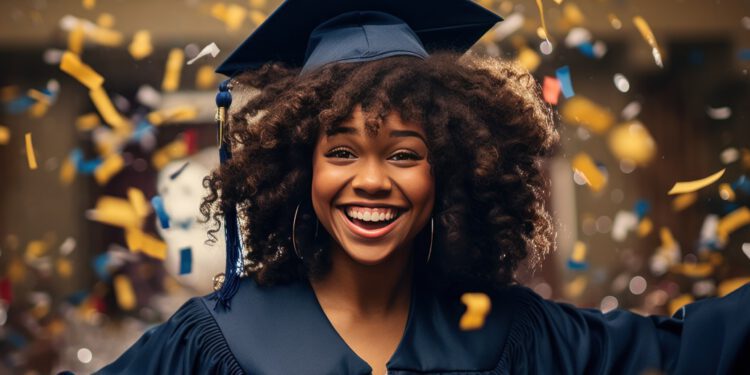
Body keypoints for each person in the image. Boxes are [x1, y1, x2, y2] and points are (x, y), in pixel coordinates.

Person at [96, 0, 750, 374]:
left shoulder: (515, 336)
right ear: (300, 171)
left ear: (451, 170)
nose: (372, 181)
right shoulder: (216, 344)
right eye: (343, 151)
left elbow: (692, 350)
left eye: (405, 153)